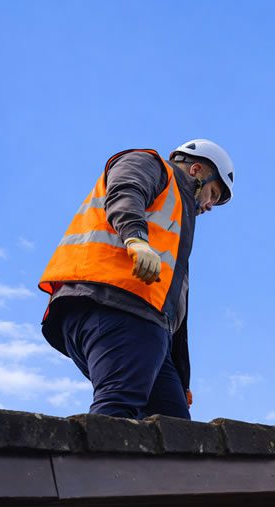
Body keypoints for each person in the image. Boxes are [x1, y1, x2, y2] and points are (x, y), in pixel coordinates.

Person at [38, 139, 234, 420]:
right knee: (118, 405)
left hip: (144, 320)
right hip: (115, 303)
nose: (211, 205)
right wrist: (136, 240)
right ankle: (94, 462)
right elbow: (126, 190)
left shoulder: (178, 224)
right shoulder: (150, 164)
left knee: (175, 426)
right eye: (214, 193)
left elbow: (173, 308)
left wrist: (181, 380)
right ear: (196, 170)